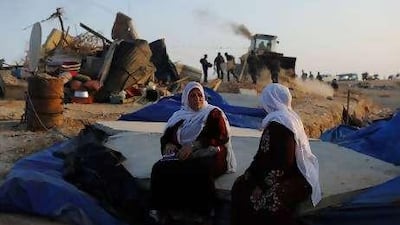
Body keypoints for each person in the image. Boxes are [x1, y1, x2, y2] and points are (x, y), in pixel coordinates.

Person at [231, 83, 321, 225]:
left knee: (268, 201)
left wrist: (262, 185)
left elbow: (285, 163)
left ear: (270, 100)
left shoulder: (280, 124)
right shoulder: (286, 118)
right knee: (241, 185)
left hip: (296, 175)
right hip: (281, 172)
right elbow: (262, 155)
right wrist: (252, 174)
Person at [151, 81, 237, 224]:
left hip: (211, 153)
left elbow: (221, 136)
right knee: (159, 168)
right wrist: (168, 145)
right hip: (183, 154)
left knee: (199, 170)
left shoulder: (213, 113)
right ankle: (162, 210)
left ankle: (203, 212)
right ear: (186, 99)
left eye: (199, 95)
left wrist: (194, 146)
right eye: (192, 96)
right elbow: (166, 137)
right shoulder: (179, 116)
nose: (197, 99)